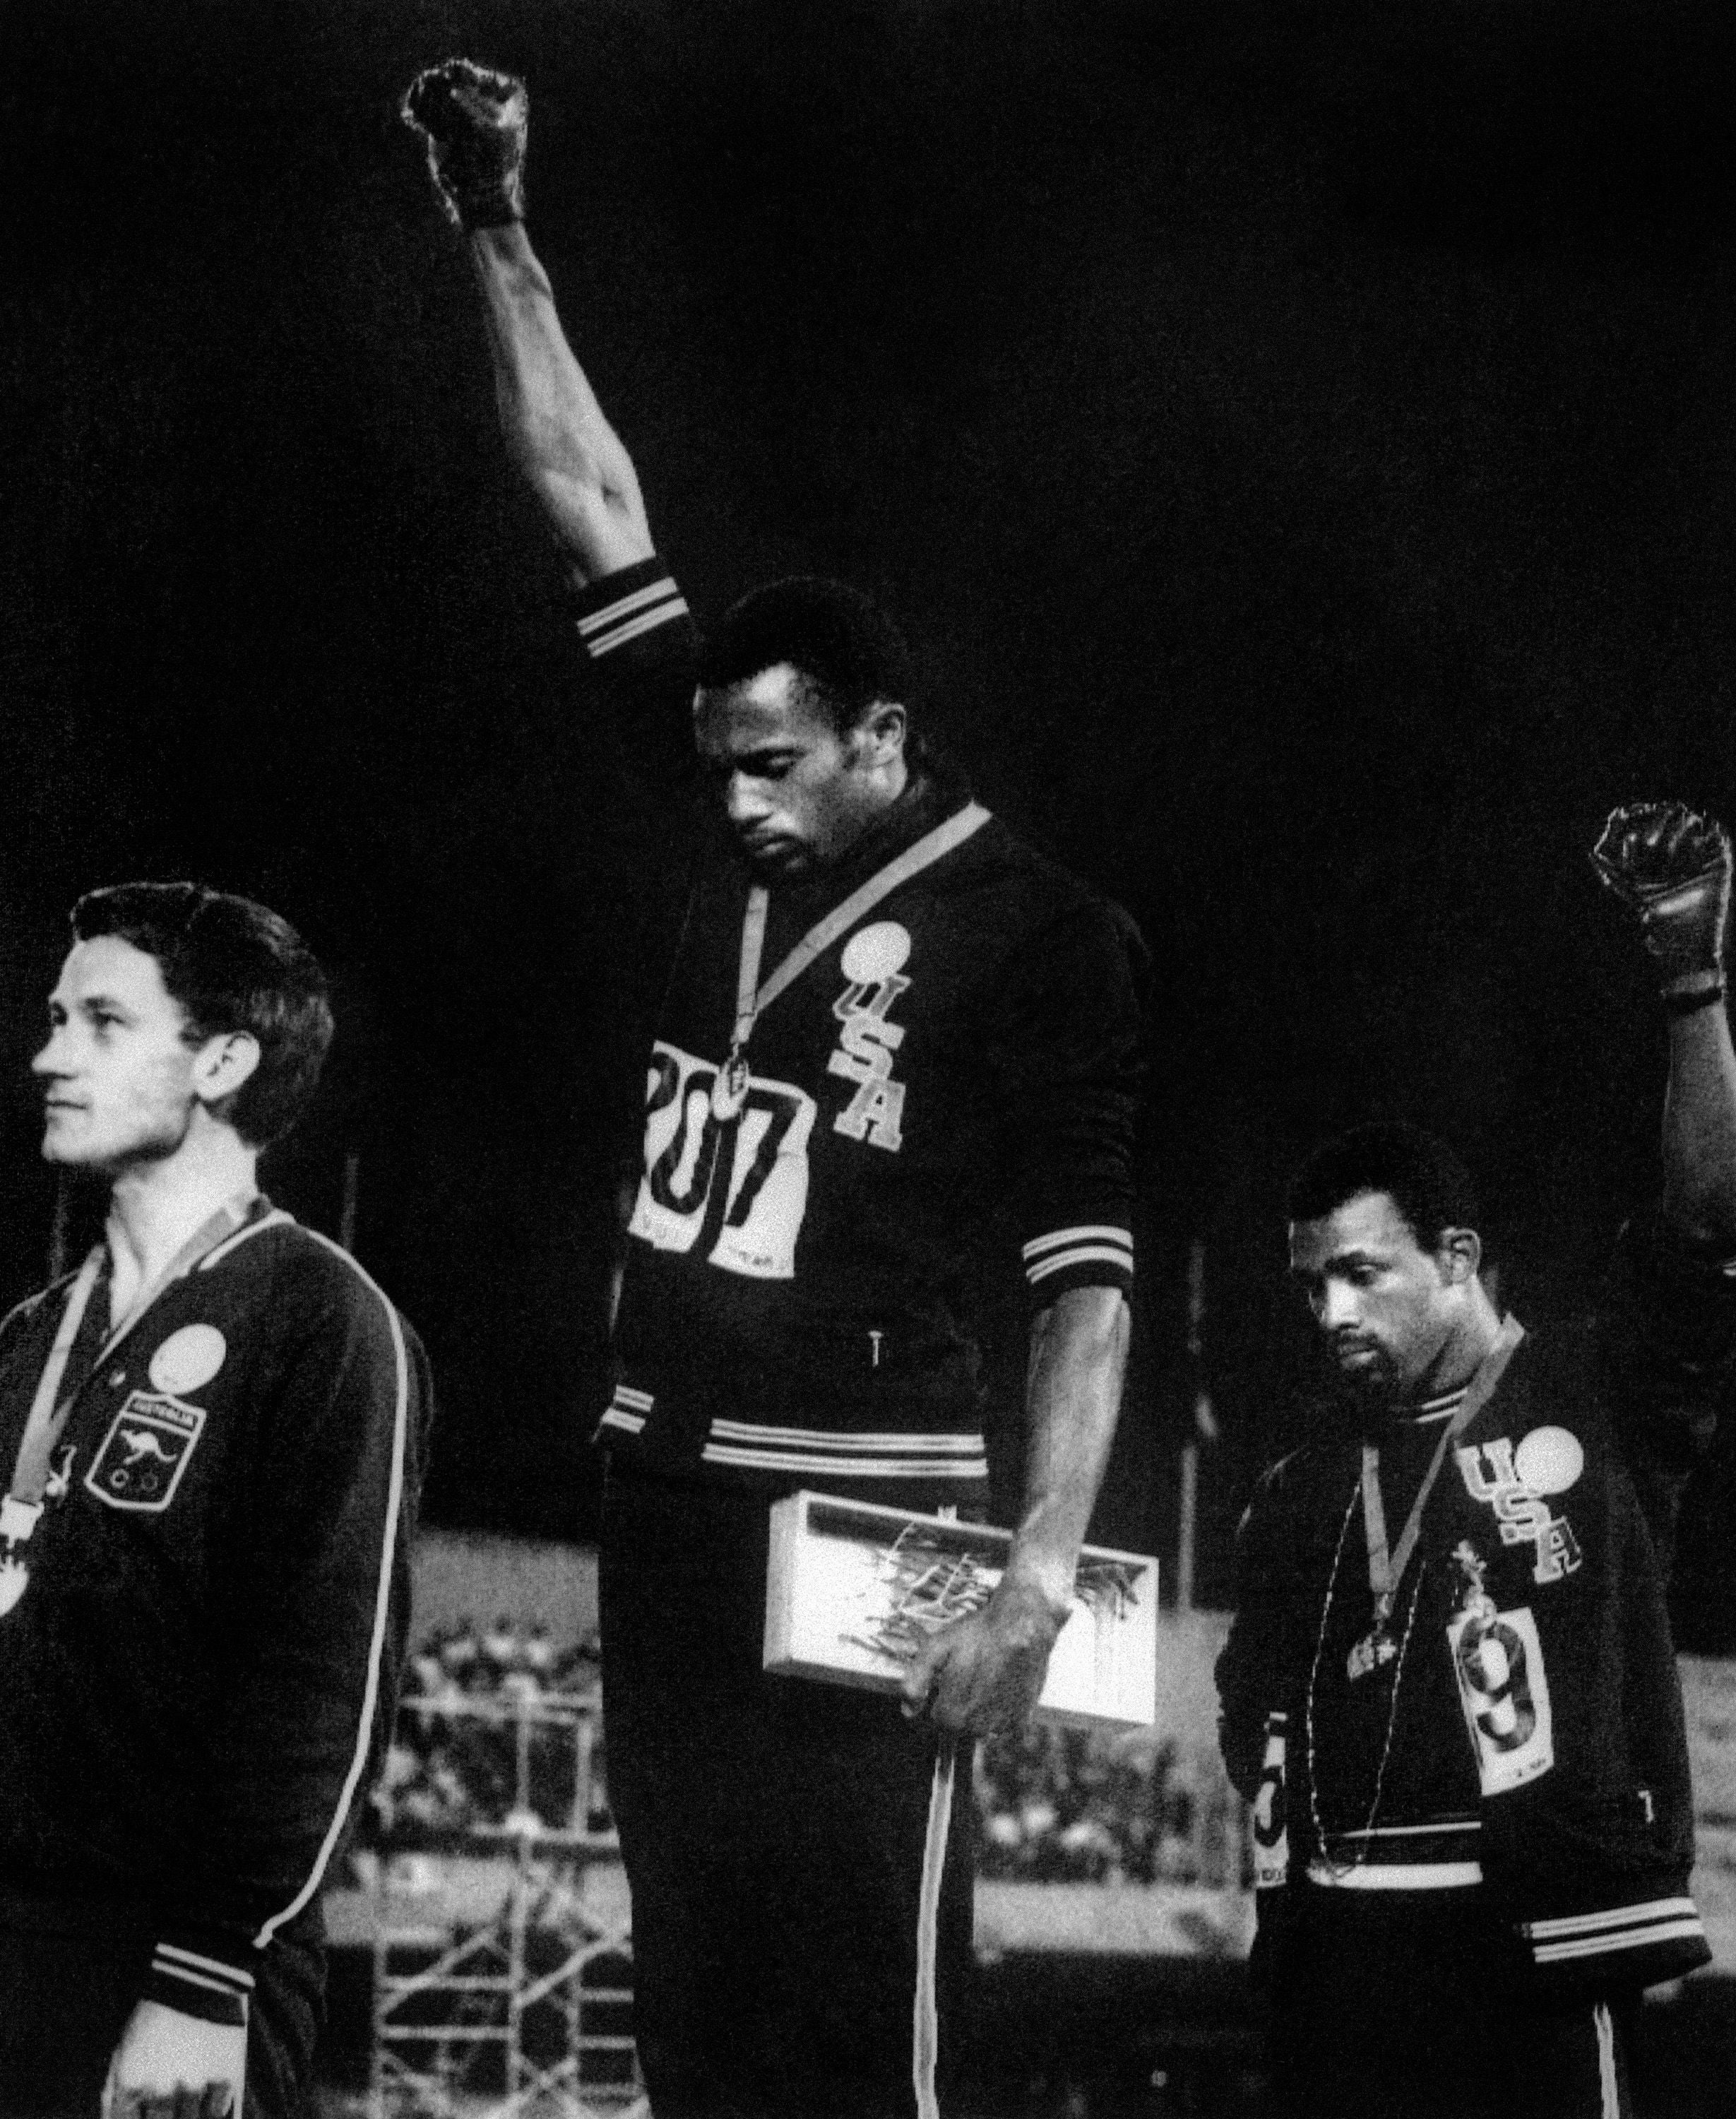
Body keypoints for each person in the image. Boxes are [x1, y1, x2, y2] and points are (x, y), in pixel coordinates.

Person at [403, 59, 1146, 2119]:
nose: (725, 797)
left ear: (885, 737)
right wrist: (493, 219)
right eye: (715, 758)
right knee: (696, 2005)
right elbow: (587, 503)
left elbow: (1086, 1285)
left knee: (873, 2017)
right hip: (663, 1500)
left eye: (774, 766)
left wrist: (1039, 1572)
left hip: (870, 1512)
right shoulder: (710, 797)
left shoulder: (1041, 933)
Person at [1215, 802, 1736, 2119]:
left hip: (1529, 1951)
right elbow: (1250, 1728)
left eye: (1361, 1273)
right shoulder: (1298, 1492)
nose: (1331, 1314)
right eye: (1309, 1289)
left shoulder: (1593, 1390)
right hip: (1336, 1957)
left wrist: (1689, 981)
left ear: (1456, 1258)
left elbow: (1709, 1224)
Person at [0, 883, 429, 2119]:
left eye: (100, 1023)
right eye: (53, 1018)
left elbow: (321, 1689)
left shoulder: (326, 1323)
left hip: (176, 1965)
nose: (49, 1056)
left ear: (223, 1060)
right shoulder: (31, 1337)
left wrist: (203, 1975)